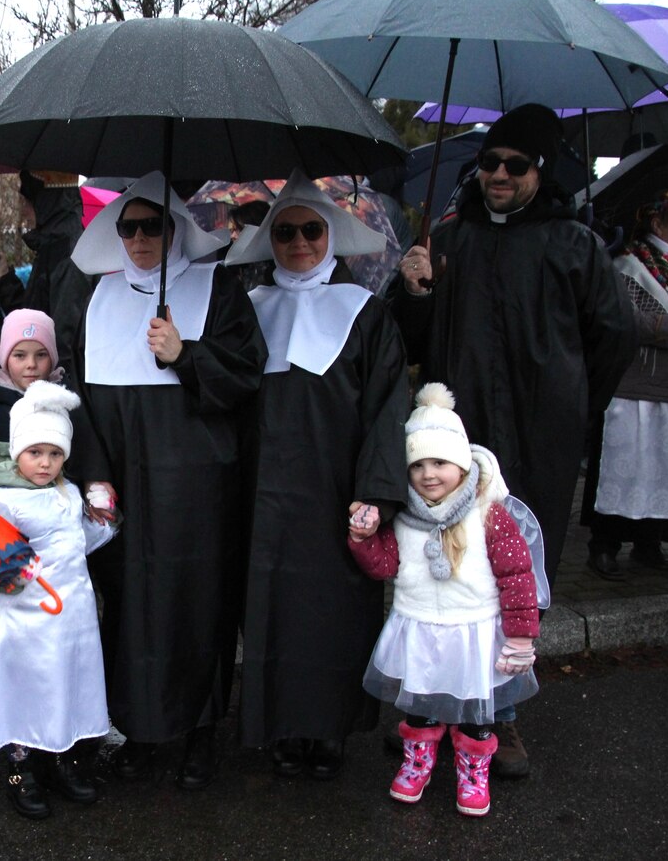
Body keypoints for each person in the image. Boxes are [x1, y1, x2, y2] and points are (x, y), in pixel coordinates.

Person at [393, 103, 636, 776]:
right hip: (458, 441)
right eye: (489, 163)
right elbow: (411, 343)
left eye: (514, 165)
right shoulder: (451, 238)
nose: (497, 175)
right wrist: (413, 293)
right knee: (444, 568)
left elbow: (614, 335)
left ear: (539, 171)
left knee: (515, 575)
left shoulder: (573, 243)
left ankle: (502, 715)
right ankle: (435, 704)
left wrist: (573, 400)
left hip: (538, 439)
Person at [67, 171, 266, 790]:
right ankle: (140, 729)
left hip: (197, 486)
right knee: (127, 606)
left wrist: (185, 355)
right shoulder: (91, 298)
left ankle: (200, 731)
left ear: (175, 228)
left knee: (196, 605)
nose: (139, 238)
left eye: (152, 225)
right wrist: (94, 478)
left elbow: (246, 377)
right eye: (128, 227)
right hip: (122, 479)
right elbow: (76, 397)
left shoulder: (219, 288)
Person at [224, 170, 410, 780]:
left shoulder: (368, 314)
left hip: (337, 494)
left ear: (330, 235)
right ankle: (281, 726)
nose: (298, 242)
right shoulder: (246, 312)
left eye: (310, 230)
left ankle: (327, 729)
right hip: (261, 495)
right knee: (270, 611)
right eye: (285, 232)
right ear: (270, 240)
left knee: (334, 612)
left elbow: (388, 410)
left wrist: (376, 495)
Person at [348, 383, 540, 817]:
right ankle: (418, 762)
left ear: (461, 462)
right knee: (421, 709)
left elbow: (517, 577)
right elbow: (385, 566)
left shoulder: (488, 512)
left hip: (472, 632)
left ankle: (474, 770)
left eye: (440, 462)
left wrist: (522, 636)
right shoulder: (403, 517)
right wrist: (363, 539)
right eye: (416, 465)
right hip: (419, 628)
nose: (428, 474)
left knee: (475, 712)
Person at [0, 381, 118, 819]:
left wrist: (105, 524)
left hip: (72, 617)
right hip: (24, 621)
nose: (45, 462)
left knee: (64, 685)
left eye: (54, 454)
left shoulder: (68, 492)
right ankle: (21, 769)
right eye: (35, 453)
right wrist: (3, 566)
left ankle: (61, 758)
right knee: (25, 689)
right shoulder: (1, 501)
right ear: (17, 452)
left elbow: (75, 542)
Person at [584, 186, 668, 578]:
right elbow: (623, 318)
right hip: (636, 386)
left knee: (663, 469)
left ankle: (649, 543)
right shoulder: (629, 265)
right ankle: (605, 545)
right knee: (628, 467)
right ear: (658, 222)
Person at [0, 171, 95, 373]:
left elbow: (63, 342)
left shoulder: (69, 254)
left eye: (27, 202)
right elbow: (31, 319)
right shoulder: (52, 247)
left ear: (46, 203)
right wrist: (4, 279)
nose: (24, 211)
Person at [0, 308, 65, 444]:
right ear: (5, 358)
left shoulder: (67, 404)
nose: (31, 364)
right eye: (20, 355)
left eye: (41, 355)